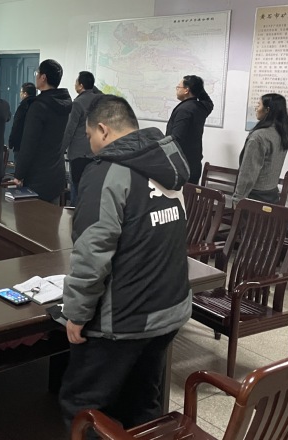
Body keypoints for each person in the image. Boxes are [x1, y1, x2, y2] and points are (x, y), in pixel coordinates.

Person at [59, 95, 191, 433]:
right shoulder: (167, 164)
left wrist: (76, 312)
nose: (90, 145)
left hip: (125, 318)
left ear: (103, 130)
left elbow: (92, 252)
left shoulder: (107, 173)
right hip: (169, 308)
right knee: (142, 403)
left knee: (83, 407)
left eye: (90, 136)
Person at [13, 59, 72, 203]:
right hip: (56, 172)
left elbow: (29, 143)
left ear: (43, 77)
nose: (36, 76)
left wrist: (19, 174)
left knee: (31, 216)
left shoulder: (38, 106)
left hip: (37, 175)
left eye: (37, 73)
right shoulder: (65, 103)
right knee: (52, 216)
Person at [232, 93, 288, 206]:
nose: (256, 108)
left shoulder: (258, 137)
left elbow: (248, 173)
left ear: (267, 110)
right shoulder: (283, 133)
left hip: (255, 197)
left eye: (259, 104)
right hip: (272, 195)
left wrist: (238, 199)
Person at [61, 71, 102, 205]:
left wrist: (60, 150)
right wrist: (90, 87)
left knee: (76, 187)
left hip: (78, 154)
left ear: (81, 85)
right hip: (95, 151)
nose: (75, 84)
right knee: (90, 188)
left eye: (76, 82)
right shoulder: (99, 100)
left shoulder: (78, 103)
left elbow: (69, 130)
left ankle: (74, 214)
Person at [166, 74, 214, 184]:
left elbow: (176, 138)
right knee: (191, 193)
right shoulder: (201, 107)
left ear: (186, 90)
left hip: (181, 167)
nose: (177, 90)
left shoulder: (184, 110)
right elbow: (209, 102)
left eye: (178, 87)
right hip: (194, 164)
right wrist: (198, 88)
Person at [8, 82, 36, 157]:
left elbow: (16, 125)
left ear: (25, 94)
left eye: (21, 91)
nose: (20, 94)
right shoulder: (38, 106)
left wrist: (11, 142)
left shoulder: (23, 107)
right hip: (34, 145)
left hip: (20, 145)